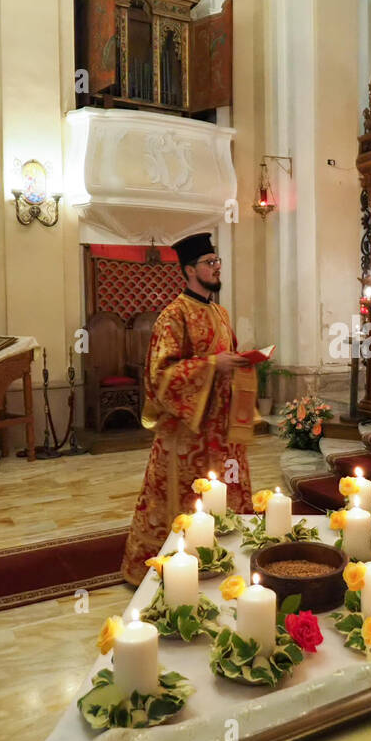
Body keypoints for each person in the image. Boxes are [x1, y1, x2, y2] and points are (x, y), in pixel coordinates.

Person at [122, 233, 255, 584]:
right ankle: (176, 565)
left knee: (229, 489)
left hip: (223, 433)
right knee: (185, 502)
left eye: (217, 262)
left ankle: (227, 558)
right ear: (189, 270)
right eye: (209, 263)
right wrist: (212, 364)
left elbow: (228, 359)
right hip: (186, 436)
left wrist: (241, 362)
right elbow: (160, 375)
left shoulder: (221, 313)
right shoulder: (173, 316)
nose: (216, 268)